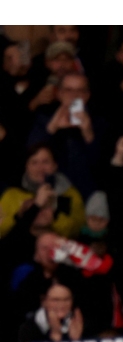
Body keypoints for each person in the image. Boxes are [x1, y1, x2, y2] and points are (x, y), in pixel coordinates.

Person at [27, 71, 107, 199]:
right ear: (59, 94)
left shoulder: (98, 122)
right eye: (68, 90)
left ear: (87, 95)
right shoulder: (44, 117)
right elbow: (31, 153)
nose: (74, 95)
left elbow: (101, 164)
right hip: (51, 191)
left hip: (87, 192)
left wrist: (87, 132)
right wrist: (53, 127)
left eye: (80, 91)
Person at [0, 143, 85, 239]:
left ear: (54, 165)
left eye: (45, 162)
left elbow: (78, 231)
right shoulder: (12, 194)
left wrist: (53, 215)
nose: (40, 168)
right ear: (26, 167)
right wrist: (21, 215)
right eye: (34, 163)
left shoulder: (69, 194)